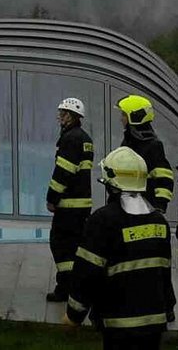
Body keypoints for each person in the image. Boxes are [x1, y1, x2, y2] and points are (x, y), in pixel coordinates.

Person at [64, 146, 176, 349]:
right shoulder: (160, 223)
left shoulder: (103, 221)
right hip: (155, 324)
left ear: (111, 184)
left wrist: (74, 314)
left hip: (118, 327)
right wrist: (168, 309)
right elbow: (164, 273)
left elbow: (86, 273)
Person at [45, 97, 94, 302]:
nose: (60, 117)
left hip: (69, 204)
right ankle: (76, 286)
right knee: (74, 246)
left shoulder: (71, 139)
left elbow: (64, 172)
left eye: (63, 113)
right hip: (82, 204)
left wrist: (52, 197)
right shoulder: (84, 139)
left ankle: (65, 288)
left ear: (72, 116)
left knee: (60, 245)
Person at [117, 95, 174, 214]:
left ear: (134, 117)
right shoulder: (128, 142)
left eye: (124, 115)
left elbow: (164, 178)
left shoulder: (153, 145)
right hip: (126, 205)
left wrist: (159, 206)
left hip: (144, 207)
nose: (121, 119)